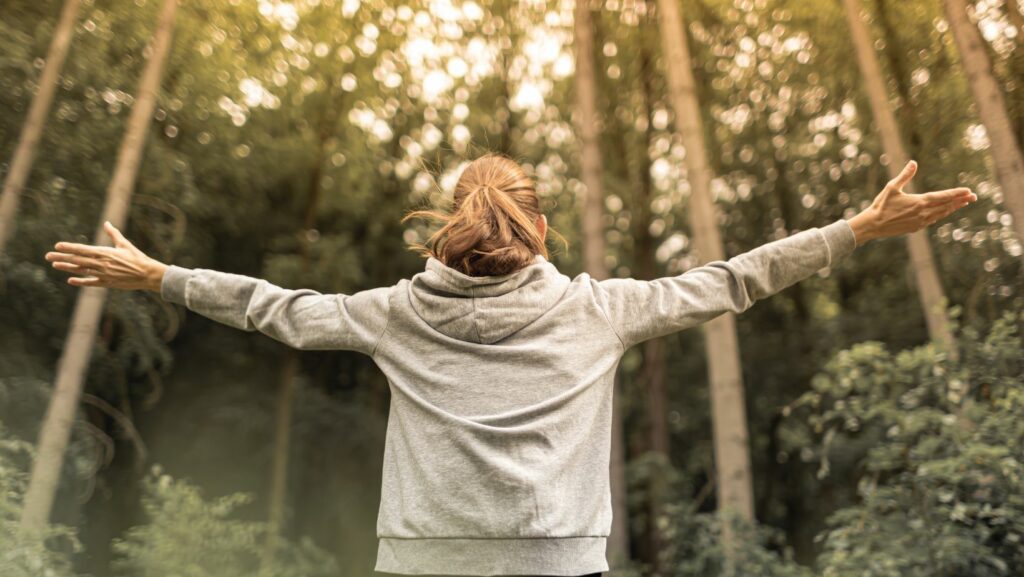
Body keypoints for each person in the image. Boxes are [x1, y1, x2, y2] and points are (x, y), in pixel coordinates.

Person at [45, 153, 975, 577]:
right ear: (538, 224)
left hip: (421, 563)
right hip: (559, 564)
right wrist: (855, 227)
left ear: (454, 220)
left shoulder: (398, 314)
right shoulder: (599, 310)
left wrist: (159, 274)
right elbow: (734, 279)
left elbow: (276, 311)